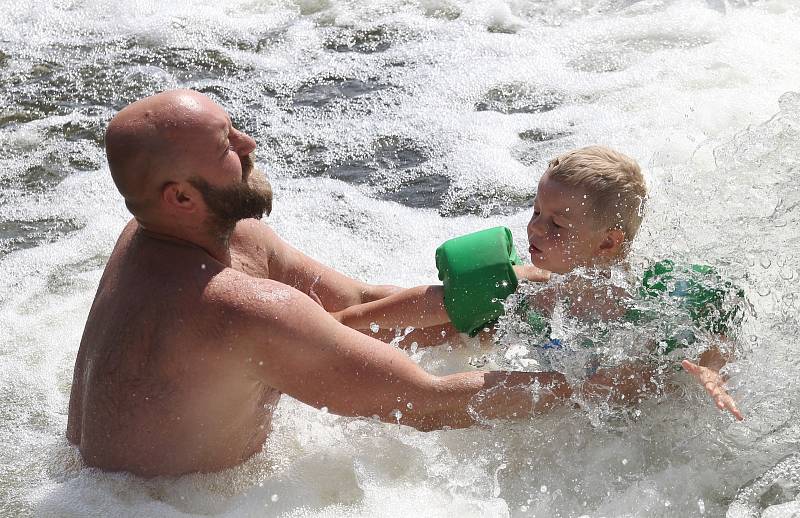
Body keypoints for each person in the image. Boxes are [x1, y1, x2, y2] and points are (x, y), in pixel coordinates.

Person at [66, 89, 581, 478]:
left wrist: (526, 289)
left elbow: (357, 306)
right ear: (180, 197)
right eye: (227, 147)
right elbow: (428, 405)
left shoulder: (167, 231)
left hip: (108, 485)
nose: (250, 145)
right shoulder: (241, 310)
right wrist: (607, 387)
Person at [333, 146, 745, 420]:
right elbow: (447, 301)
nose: (534, 229)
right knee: (468, 313)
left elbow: (723, 312)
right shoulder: (539, 284)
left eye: (557, 224)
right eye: (535, 212)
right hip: (556, 364)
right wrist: (349, 319)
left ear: (607, 242)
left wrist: (710, 368)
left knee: (620, 380)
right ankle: (340, 330)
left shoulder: (650, 295)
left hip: (615, 405)